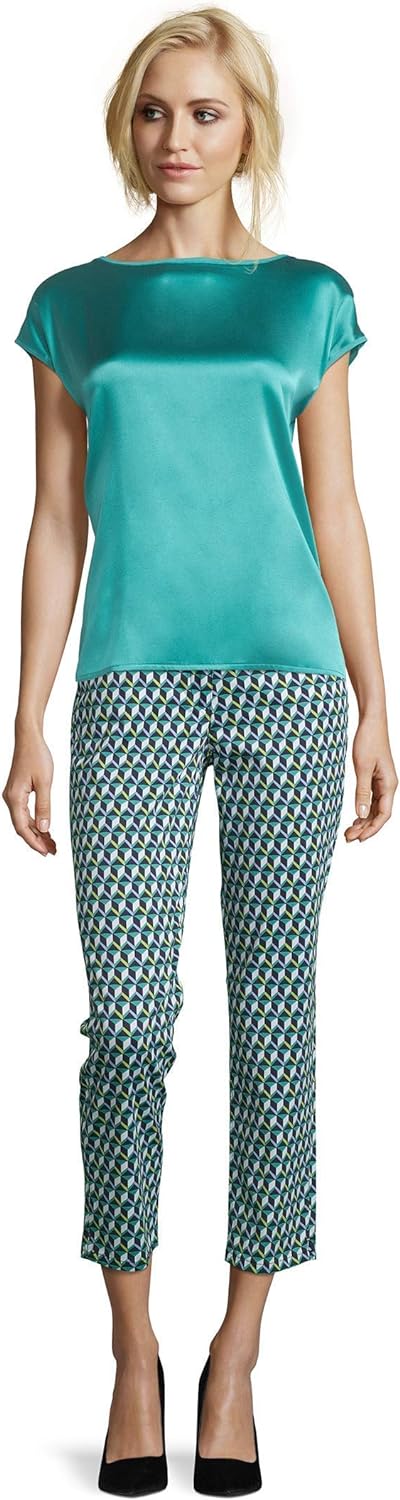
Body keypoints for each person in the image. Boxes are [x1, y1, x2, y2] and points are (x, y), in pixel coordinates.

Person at [5, 5, 397, 1497]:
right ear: (128, 127)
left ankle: (238, 1356)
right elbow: (58, 520)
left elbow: (338, 508)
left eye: (207, 112)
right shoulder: (74, 307)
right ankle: (131, 1352)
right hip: (130, 690)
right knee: (126, 1023)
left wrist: (376, 700)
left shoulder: (310, 301)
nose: (178, 137)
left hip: (291, 687)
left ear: (250, 131)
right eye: (156, 111)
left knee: (275, 1021)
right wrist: (28, 713)